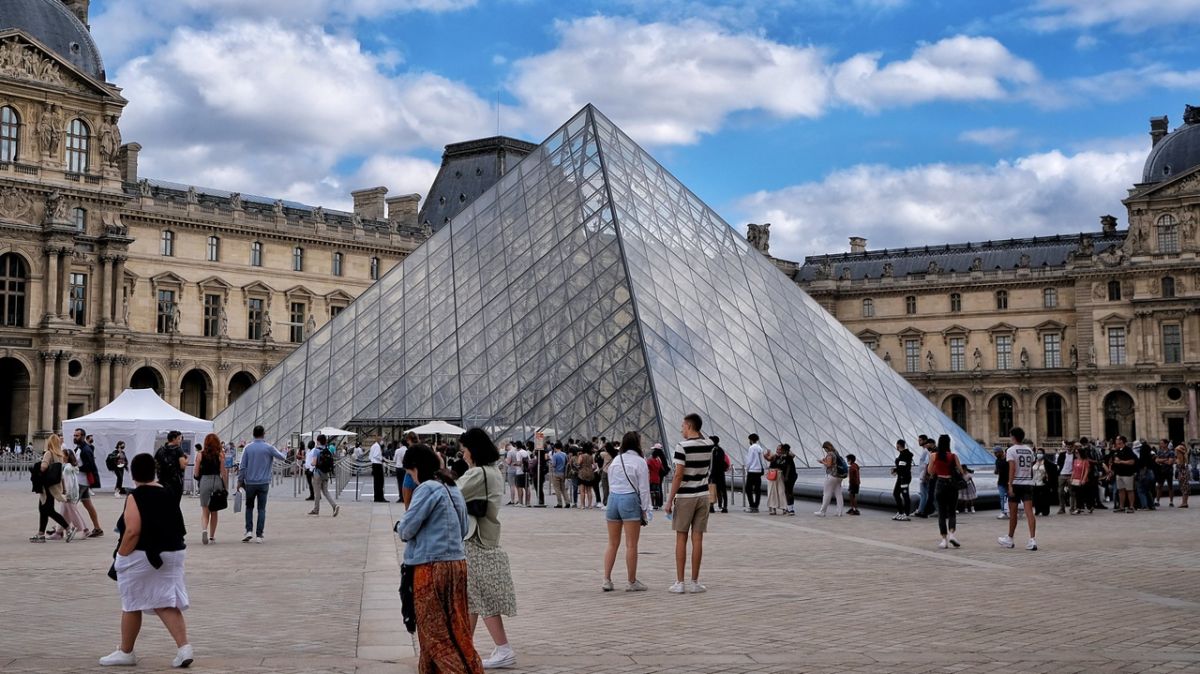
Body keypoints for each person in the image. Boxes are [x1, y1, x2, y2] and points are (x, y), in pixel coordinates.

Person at [99, 453, 193, 668]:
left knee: (131, 602)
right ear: (155, 471)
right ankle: (184, 647)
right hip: (174, 553)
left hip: (145, 555)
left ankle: (126, 651)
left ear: (132, 473)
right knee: (164, 601)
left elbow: (132, 531)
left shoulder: (136, 496)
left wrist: (121, 557)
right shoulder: (168, 492)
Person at [396, 445, 483, 674]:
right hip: (457, 564)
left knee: (433, 633)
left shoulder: (427, 489)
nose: (411, 479)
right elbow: (463, 528)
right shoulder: (452, 487)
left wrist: (399, 526)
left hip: (430, 567)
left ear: (416, 468)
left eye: (410, 473)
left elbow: (407, 529)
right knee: (457, 628)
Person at [457, 429, 518, 669]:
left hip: (476, 541)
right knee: (473, 597)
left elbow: (452, 492)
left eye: (464, 450)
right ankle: (464, 646)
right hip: (487, 538)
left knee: (480, 597)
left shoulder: (479, 474)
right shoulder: (493, 472)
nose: (463, 455)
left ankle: (503, 648)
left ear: (474, 450)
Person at [664, 413, 713, 594]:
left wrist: (669, 500)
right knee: (698, 539)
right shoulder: (709, 444)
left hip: (685, 497)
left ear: (689, 426)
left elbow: (678, 475)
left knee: (681, 538)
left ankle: (680, 582)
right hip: (703, 495)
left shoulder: (682, 446)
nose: (681, 429)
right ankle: (695, 582)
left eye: (683, 426)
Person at [602, 431, 652, 593]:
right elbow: (644, 489)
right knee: (631, 544)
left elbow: (610, 483)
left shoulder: (616, 460)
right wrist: (645, 510)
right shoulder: (639, 462)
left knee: (612, 543)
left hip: (613, 500)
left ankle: (607, 579)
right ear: (637, 444)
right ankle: (631, 581)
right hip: (629, 500)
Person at [238, 425, 287, 543]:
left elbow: (243, 467)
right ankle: (259, 535)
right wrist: (285, 449)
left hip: (250, 483)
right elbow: (282, 457)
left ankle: (248, 530)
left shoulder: (248, 448)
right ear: (263, 434)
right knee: (261, 509)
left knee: (249, 507)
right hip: (264, 483)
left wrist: (240, 481)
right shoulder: (268, 447)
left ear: (253, 434)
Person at [998, 427, 1038, 551]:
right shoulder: (1029, 450)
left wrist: (1009, 484)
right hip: (1027, 483)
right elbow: (1031, 465)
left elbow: (1012, 468)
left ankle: (1010, 538)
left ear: (1013, 437)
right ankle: (1032, 539)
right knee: (1029, 512)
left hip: (1016, 483)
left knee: (1013, 513)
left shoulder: (1011, 450)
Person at [31, 433, 71, 543]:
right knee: (43, 509)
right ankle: (40, 534)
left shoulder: (49, 453)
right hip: (54, 486)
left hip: (46, 486)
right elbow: (61, 475)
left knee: (48, 510)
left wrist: (38, 466)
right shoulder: (59, 455)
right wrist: (63, 488)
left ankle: (68, 528)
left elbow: (44, 467)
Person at [928, 434, 963, 549]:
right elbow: (961, 471)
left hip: (940, 484)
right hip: (951, 485)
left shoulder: (933, 456)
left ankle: (944, 540)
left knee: (942, 514)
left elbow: (930, 471)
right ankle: (952, 534)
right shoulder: (953, 456)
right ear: (948, 443)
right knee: (952, 512)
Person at [194, 433, 228, 545]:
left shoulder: (200, 455)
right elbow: (223, 472)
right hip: (217, 481)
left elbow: (196, 473)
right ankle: (212, 536)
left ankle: (204, 530)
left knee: (205, 511)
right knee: (214, 511)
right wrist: (225, 486)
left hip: (204, 481)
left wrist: (198, 477)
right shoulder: (220, 454)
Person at [72, 428, 105, 536]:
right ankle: (97, 528)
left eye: (77, 436)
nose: (75, 437)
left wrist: (76, 468)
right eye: (74, 435)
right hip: (82, 482)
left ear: (82, 436)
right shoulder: (79, 448)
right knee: (88, 505)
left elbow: (90, 466)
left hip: (81, 483)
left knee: (70, 506)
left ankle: (61, 528)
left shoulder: (85, 449)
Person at [308, 434, 340, 517]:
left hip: (317, 474)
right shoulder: (328, 450)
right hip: (325, 474)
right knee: (326, 491)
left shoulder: (316, 450)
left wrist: (310, 463)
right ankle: (334, 505)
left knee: (317, 493)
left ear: (318, 441)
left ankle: (316, 509)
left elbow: (314, 463)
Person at [154, 431, 188, 504]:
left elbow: (155, 464)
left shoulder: (160, 450)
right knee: (175, 504)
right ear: (173, 439)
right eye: (179, 439)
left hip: (162, 480)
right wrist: (186, 460)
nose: (180, 441)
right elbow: (182, 466)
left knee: (164, 503)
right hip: (175, 481)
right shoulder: (178, 450)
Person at [814, 441, 846, 517]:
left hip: (832, 475)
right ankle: (839, 511)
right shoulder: (836, 452)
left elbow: (829, 465)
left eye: (824, 449)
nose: (825, 450)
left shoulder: (830, 454)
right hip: (839, 476)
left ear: (826, 447)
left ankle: (822, 511)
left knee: (826, 493)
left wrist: (822, 462)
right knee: (838, 494)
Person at [1111, 435, 1137, 513]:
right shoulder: (1117, 450)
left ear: (1121, 441)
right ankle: (1121, 506)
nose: (1115, 441)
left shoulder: (1128, 450)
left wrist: (1121, 461)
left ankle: (1131, 507)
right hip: (1119, 474)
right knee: (1120, 490)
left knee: (1129, 490)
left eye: (1117, 439)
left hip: (1127, 474)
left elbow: (1132, 461)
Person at [742, 433, 765, 513]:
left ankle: (752, 506)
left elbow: (749, 460)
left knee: (748, 489)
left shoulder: (751, 448)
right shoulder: (760, 448)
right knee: (757, 489)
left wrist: (746, 468)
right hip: (758, 471)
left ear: (751, 440)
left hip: (752, 471)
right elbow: (762, 460)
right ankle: (756, 506)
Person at [892, 440, 913, 521]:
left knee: (905, 495)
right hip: (901, 477)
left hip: (904, 478)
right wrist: (896, 470)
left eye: (896, 445)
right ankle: (900, 512)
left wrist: (896, 470)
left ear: (898, 445)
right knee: (896, 493)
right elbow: (901, 466)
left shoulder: (905, 454)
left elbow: (903, 467)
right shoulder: (903, 454)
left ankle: (906, 514)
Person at [1068, 443, 1091, 514]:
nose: (1076, 454)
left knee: (1083, 494)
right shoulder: (1075, 461)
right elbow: (1074, 470)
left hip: (1082, 479)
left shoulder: (1085, 461)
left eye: (1077, 453)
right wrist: (1071, 478)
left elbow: (1087, 471)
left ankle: (1088, 506)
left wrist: (1084, 479)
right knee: (1077, 494)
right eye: (1075, 453)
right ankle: (1078, 508)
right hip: (1075, 479)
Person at [708, 436, 728, 514]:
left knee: (712, 489)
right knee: (722, 490)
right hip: (721, 473)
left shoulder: (712, 450)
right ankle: (724, 507)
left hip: (713, 474)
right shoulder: (721, 450)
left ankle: (711, 506)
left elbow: (711, 464)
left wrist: (710, 473)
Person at [765, 444, 787, 515]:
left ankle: (784, 508)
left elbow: (793, 455)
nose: (778, 451)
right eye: (777, 449)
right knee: (772, 491)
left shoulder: (785, 457)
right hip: (773, 474)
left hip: (780, 474)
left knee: (781, 491)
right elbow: (768, 458)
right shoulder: (774, 456)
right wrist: (766, 455)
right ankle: (773, 508)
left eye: (780, 449)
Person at [993, 447, 1010, 519]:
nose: (995, 454)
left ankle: (1010, 511)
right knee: (1002, 497)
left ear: (1001, 452)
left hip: (1009, 481)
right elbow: (997, 471)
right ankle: (1003, 512)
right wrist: (996, 471)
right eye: (994, 453)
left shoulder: (1008, 460)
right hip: (1001, 482)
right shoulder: (997, 460)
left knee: (1010, 498)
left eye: (996, 453)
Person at [550, 443, 568, 508]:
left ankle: (559, 503)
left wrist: (551, 464)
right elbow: (566, 463)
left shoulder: (555, 455)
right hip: (563, 473)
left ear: (555, 448)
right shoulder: (564, 454)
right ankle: (567, 502)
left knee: (557, 489)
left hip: (556, 473)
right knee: (563, 489)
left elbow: (554, 464)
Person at [370, 437, 386, 503]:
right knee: (380, 482)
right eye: (382, 440)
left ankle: (377, 497)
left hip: (374, 464)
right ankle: (380, 497)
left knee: (377, 482)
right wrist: (382, 459)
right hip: (377, 464)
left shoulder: (373, 446)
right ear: (380, 440)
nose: (383, 442)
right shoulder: (377, 446)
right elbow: (376, 455)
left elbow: (370, 456)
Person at [1175, 440, 1190, 508]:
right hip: (1184, 473)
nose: (1175, 452)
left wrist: (1180, 475)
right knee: (1185, 488)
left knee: (1184, 488)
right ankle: (1184, 502)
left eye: (1176, 451)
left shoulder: (1180, 458)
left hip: (1182, 473)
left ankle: (1184, 503)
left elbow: (1181, 468)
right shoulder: (1183, 457)